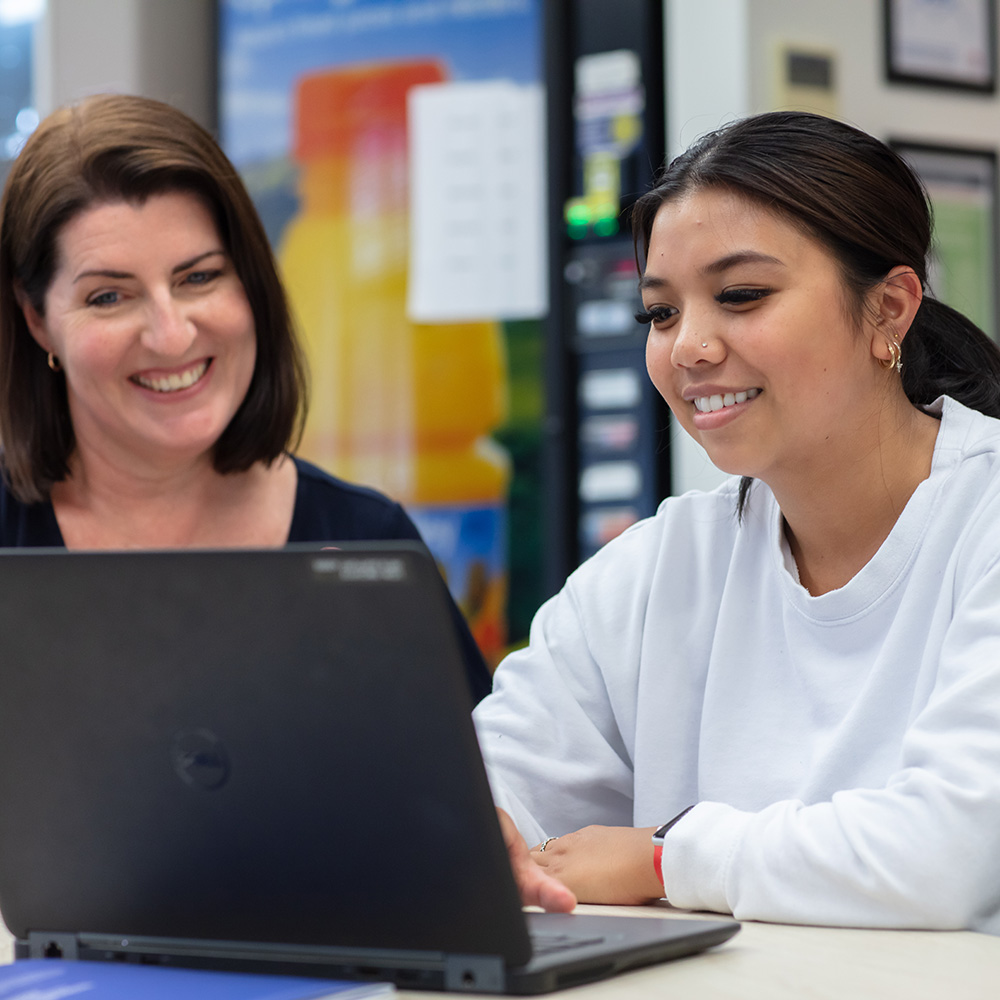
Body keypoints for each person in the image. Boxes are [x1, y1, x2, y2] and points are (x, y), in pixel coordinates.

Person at [474, 110, 1000, 932]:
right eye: (660, 313)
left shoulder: (986, 522)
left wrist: (662, 856)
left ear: (890, 310)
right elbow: (487, 786)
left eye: (741, 296)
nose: (688, 347)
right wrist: (473, 834)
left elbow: (944, 858)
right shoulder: (658, 567)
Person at [0, 93, 490, 703]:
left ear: (251, 284)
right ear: (37, 320)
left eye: (198, 277)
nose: (171, 333)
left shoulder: (370, 542)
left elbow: (467, 796)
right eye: (109, 297)